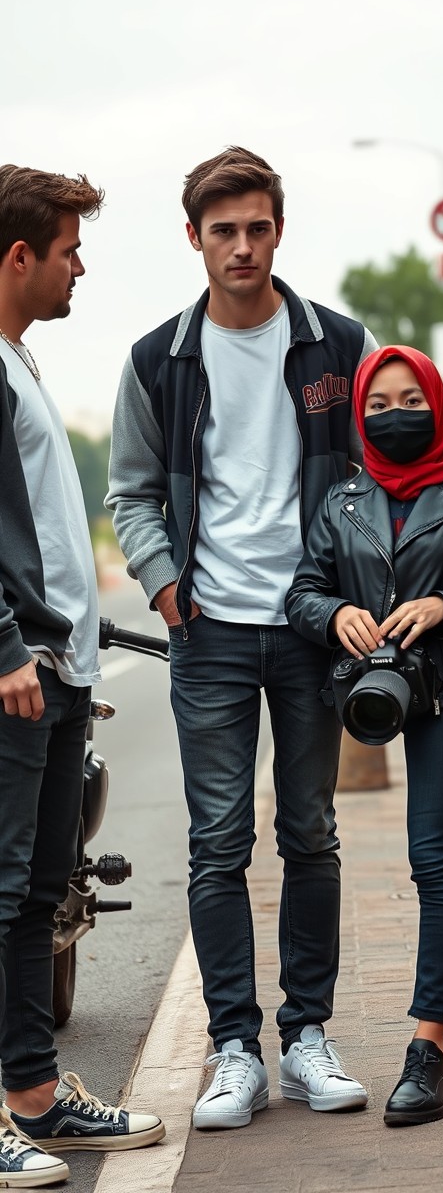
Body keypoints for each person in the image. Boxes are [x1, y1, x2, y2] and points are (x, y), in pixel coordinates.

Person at [106, 147, 377, 1130]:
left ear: (278, 230)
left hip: (313, 630)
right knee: (217, 842)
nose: (243, 246)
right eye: (223, 230)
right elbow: (131, 492)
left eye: (258, 226)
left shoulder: (339, 345)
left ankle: (306, 1036)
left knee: (310, 832)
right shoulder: (155, 359)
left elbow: (380, 474)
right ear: (195, 239)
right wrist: (166, 586)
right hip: (210, 630)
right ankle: (234, 1047)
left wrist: (365, 585)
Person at [0, 164, 164, 1187]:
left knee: (30, 896)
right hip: (14, 672)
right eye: (68, 249)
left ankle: (33, 1094)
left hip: (52, 671)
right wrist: (5, 648)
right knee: (0, 887)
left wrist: (71, 656)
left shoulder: (17, 362)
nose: (80, 265)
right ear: (18, 256)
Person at [285, 345, 443, 1126]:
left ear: (436, 404)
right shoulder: (341, 500)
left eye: (411, 401)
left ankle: (429, 1049)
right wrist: (333, 613)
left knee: (432, 858)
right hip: (364, 690)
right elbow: (303, 591)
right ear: (359, 417)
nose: (394, 414)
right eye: (378, 405)